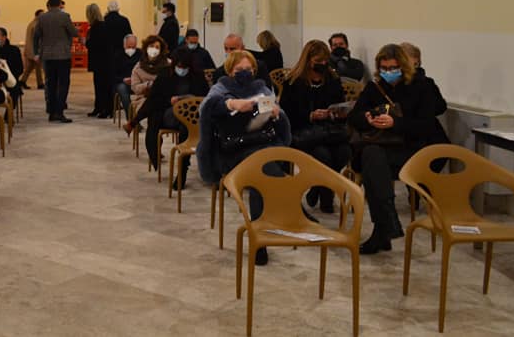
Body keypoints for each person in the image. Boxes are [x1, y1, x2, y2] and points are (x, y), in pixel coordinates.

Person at [347, 44, 450, 255]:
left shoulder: (422, 87)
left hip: (413, 149)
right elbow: (354, 117)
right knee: (372, 157)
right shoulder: (375, 88)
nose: (388, 72)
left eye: (393, 68)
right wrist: (367, 119)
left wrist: (396, 123)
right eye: (384, 68)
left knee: (373, 166)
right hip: (382, 148)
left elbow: (426, 125)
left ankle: (382, 230)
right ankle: (387, 224)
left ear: (403, 66)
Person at [199, 50, 291, 266]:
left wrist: (276, 113)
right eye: (239, 69)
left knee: (261, 174)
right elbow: (207, 107)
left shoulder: (261, 88)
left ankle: (259, 238)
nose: (244, 73)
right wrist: (232, 104)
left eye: (248, 69)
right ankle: (288, 203)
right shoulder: (221, 88)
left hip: (260, 145)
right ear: (230, 70)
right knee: (264, 168)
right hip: (232, 152)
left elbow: (277, 114)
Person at [280, 40, 350, 213]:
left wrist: (335, 112)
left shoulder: (332, 79)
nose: (323, 64)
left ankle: (317, 188)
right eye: (318, 61)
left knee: (344, 152)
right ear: (308, 60)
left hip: (330, 129)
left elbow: (340, 104)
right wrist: (310, 115)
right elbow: (286, 114)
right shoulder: (293, 82)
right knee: (323, 155)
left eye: (325, 60)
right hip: (304, 131)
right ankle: (326, 196)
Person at [132, 50, 209, 183]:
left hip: (190, 117)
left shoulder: (197, 76)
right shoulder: (165, 74)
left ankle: (182, 169)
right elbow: (154, 99)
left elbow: (205, 97)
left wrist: (189, 100)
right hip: (168, 113)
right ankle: (181, 166)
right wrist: (170, 101)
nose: (181, 69)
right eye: (179, 66)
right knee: (178, 118)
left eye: (184, 67)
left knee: (185, 127)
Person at [34, 0, 78, 123]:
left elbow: (36, 36)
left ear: (49, 4)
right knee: (63, 84)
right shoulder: (64, 16)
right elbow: (74, 32)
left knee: (50, 84)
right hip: (63, 55)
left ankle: (51, 112)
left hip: (47, 56)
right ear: (59, 4)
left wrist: (36, 52)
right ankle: (59, 112)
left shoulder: (42, 18)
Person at [123, 35, 169, 135]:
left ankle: (133, 123)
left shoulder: (168, 65)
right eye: (152, 46)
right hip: (143, 97)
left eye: (157, 47)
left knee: (155, 104)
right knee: (153, 109)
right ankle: (155, 139)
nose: (154, 49)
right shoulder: (138, 67)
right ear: (146, 48)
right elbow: (135, 88)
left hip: (165, 98)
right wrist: (147, 85)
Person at [399, 42, 447, 116]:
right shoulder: (395, 82)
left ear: (416, 61)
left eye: (404, 59)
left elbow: (440, 107)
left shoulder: (427, 83)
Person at [84, 3, 114, 118]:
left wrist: (86, 42)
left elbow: (94, 45)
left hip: (101, 61)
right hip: (105, 60)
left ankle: (105, 109)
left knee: (102, 86)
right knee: (101, 85)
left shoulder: (96, 27)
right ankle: (100, 108)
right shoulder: (103, 25)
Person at [0, 26, 24, 105]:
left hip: (11, 78)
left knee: (14, 91)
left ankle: (9, 112)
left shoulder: (14, 50)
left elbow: (20, 68)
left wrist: (9, 76)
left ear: (4, 37)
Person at [113, 34, 142, 116]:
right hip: (122, 82)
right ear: (124, 45)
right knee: (122, 89)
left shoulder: (141, 54)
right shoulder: (117, 55)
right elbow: (112, 75)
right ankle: (130, 117)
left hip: (137, 82)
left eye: (133, 47)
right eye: (129, 47)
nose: (131, 49)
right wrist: (123, 79)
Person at [20, 9, 45, 90]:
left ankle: (22, 81)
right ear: (37, 16)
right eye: (42, 15)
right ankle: (40, 84)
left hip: (30, 49)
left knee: (29, 67)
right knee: (38, 67)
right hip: (34, 50)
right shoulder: (36, 25)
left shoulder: (31, 23)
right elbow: (38, 39)